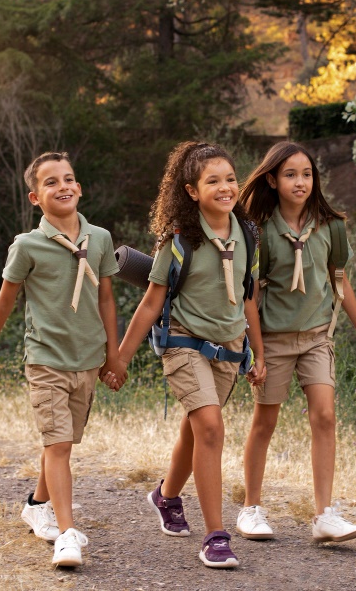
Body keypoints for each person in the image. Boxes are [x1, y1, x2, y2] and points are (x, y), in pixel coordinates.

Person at [0, 152, 126, 568]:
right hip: (46, 360)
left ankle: (37, 504)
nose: (64, 187)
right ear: (35, 197)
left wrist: (114, 354)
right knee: (57, 445)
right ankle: (67, 534)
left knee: (63, 441)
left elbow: (106, 297)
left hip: (88, 359)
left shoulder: (100, 238)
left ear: (80, 187)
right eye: (52, 182)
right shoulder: (27, 245)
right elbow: (4, 302)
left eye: (69, 179)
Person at [118, 141, 266, 569]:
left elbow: (249, 300)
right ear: (191, 191)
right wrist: (122, 359)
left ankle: (165, 497)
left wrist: (259, 353)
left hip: (229, 349)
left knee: (196, 426)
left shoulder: (248, 235)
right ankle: (215, 536)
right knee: (211, 426)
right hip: (183, 343)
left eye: (230, 179)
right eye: (212, 181)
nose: (225, 187)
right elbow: (150, 302)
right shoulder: (180, 240)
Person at [236, 141, 356, 543]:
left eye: (307, 174)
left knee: (325, 416)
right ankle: (252, 508)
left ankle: (324, 515)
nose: (301, 182)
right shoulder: (258, 230)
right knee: (266, 421)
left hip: (317, 337)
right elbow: (252, 295)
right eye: (291, 174)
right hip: (273, 339)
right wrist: (254, 351)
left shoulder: (330, 225)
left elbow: (339, 279)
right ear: (272, 180)